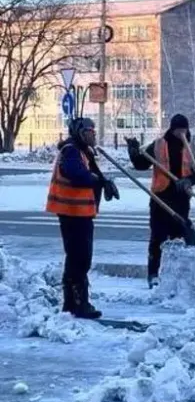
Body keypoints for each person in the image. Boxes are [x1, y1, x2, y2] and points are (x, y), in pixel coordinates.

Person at [45, 117, 120, 319]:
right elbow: (77, 175)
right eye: (89, 130)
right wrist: (97, 180)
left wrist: (104, 182)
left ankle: (71, 303)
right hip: (72, 213)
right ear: (79, 132)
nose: (93, 133)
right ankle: (79, 303)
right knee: (79, 258)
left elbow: (89, 173)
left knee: (77, 258)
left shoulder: (82, 151)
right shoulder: (71, 151)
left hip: (79, 213)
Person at [125, 114, 195, 288]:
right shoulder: (159, 145)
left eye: (184, 130)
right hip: (160, 198)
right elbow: (141, 164)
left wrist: (189, 180)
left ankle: (173, 277)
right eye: (178, 130)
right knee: (157, 238)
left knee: (177, 238)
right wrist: (133, 151)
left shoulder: (191, 147)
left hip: (181, 199)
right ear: (172, 129)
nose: (181, 133)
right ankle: (153, 275)